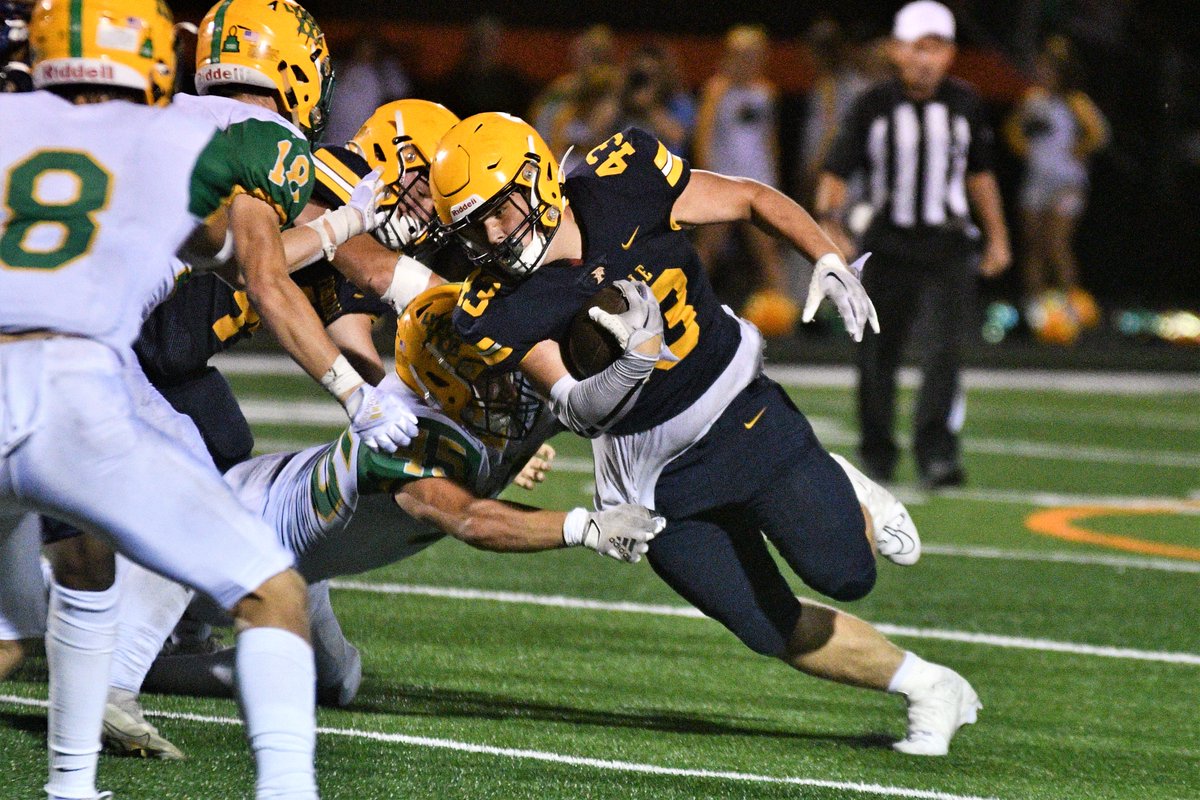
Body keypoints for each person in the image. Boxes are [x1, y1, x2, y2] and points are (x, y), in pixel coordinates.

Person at [430, 111, 981, 756]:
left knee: (848, 573)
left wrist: (824, 256)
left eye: (500, 209)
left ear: (538, 179)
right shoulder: (495, 303)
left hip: (735, 412)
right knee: (761, 623)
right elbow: (576, 407)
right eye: (476, 225)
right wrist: (634, 363)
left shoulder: (620, 181)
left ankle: (847, 484)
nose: (495, 233)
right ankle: (930, 687)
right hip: (650, 470)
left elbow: (750, 198)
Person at [0, 0, 346, 795]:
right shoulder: (189, 138)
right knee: (269, 589)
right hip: (72, 392)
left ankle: (71, 787)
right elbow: (241, 259)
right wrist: (338, 232)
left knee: (48, 598)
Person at [98, 284, 663, 755]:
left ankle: (165, 665)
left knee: (334, 682)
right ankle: (114, 669)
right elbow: (470, 520)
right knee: (117, 655)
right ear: (444, 380)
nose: (504, 381)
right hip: (221, 532)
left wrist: (632, 356)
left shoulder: (489, 401)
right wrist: (585, 527)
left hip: (293, 568)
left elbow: (584, 404)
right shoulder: (404, 432)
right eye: (484, 372)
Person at [97, 95, 460, 759]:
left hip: (152, 349)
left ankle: (153, 648)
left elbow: (347, 326)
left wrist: (441, 404)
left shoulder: (334, 204)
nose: (436, 211)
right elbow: (331, 275)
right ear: (394, 158)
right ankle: (109, 677)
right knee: (189, 484)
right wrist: (489, 352)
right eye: (429, 187)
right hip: (109, 335)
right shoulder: (305, 167)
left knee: (225, 444)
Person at [815, 0, 1011, 489]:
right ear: (897, 51)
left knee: (945, 352)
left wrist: (998, 236)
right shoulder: (873, 104)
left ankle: (937, 453)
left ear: (949, 54)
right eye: (917, 47)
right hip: (888, 243)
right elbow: (836, 171)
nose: (925, 59)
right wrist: (829, 226)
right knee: (878, 352)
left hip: (948, 244)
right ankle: (877, 451)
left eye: (936, 47)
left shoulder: (965, 103)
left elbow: (980, 174)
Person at [1004, 34, 1108, 338]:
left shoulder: (1076, 102)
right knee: (1033, 244)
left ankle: (1073, 308)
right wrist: (1028, 150)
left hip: (1067, 181)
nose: (1041, 74)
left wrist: (1076, 152)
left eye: (1047, 69)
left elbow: (1099, 135)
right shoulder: (1033, 100)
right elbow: (1012, 131)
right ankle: (1036, 310)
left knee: (1057, 243)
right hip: (1037, 179)